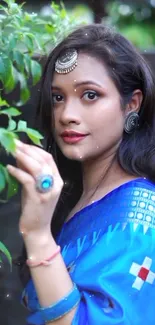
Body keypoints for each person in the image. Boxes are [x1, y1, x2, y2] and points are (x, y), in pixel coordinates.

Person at [7, 24, 155, 325]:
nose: (66, 115)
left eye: (90, 95)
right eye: (58, 98)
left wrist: (37, 235)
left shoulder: (140, 221)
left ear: (132, 104)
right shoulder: (72, 195)